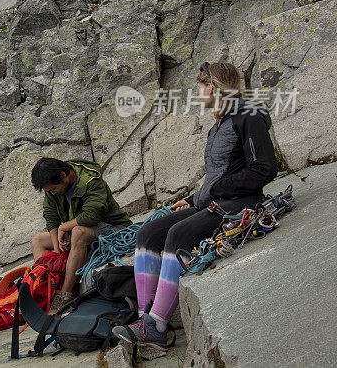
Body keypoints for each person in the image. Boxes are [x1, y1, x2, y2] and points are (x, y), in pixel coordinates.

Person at [112, 61, 278, 351]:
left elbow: (264, 168)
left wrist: (217, 190)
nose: (198, 93)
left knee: (177, 236)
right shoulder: (220, 123)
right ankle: (144, 319)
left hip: (238, 204)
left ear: (212, 87)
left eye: (200, 87)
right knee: (147, 234)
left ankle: (158, 326)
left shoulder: (249, 115)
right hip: (213, 201)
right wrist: (192, 199)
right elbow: (218, 173)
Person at [30, 157, 132, 313]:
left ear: (63, 175)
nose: (52, 193)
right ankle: (48, 286)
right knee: (38, 240)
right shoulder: (53, 184)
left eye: (53, 189)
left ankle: (65, 294)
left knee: (78, 231)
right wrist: (57, 250)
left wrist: (64, 227)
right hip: (81, 229)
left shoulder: (90, 179)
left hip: (113, 228)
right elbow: (50, 216)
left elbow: (92, 216)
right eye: (49, 191)